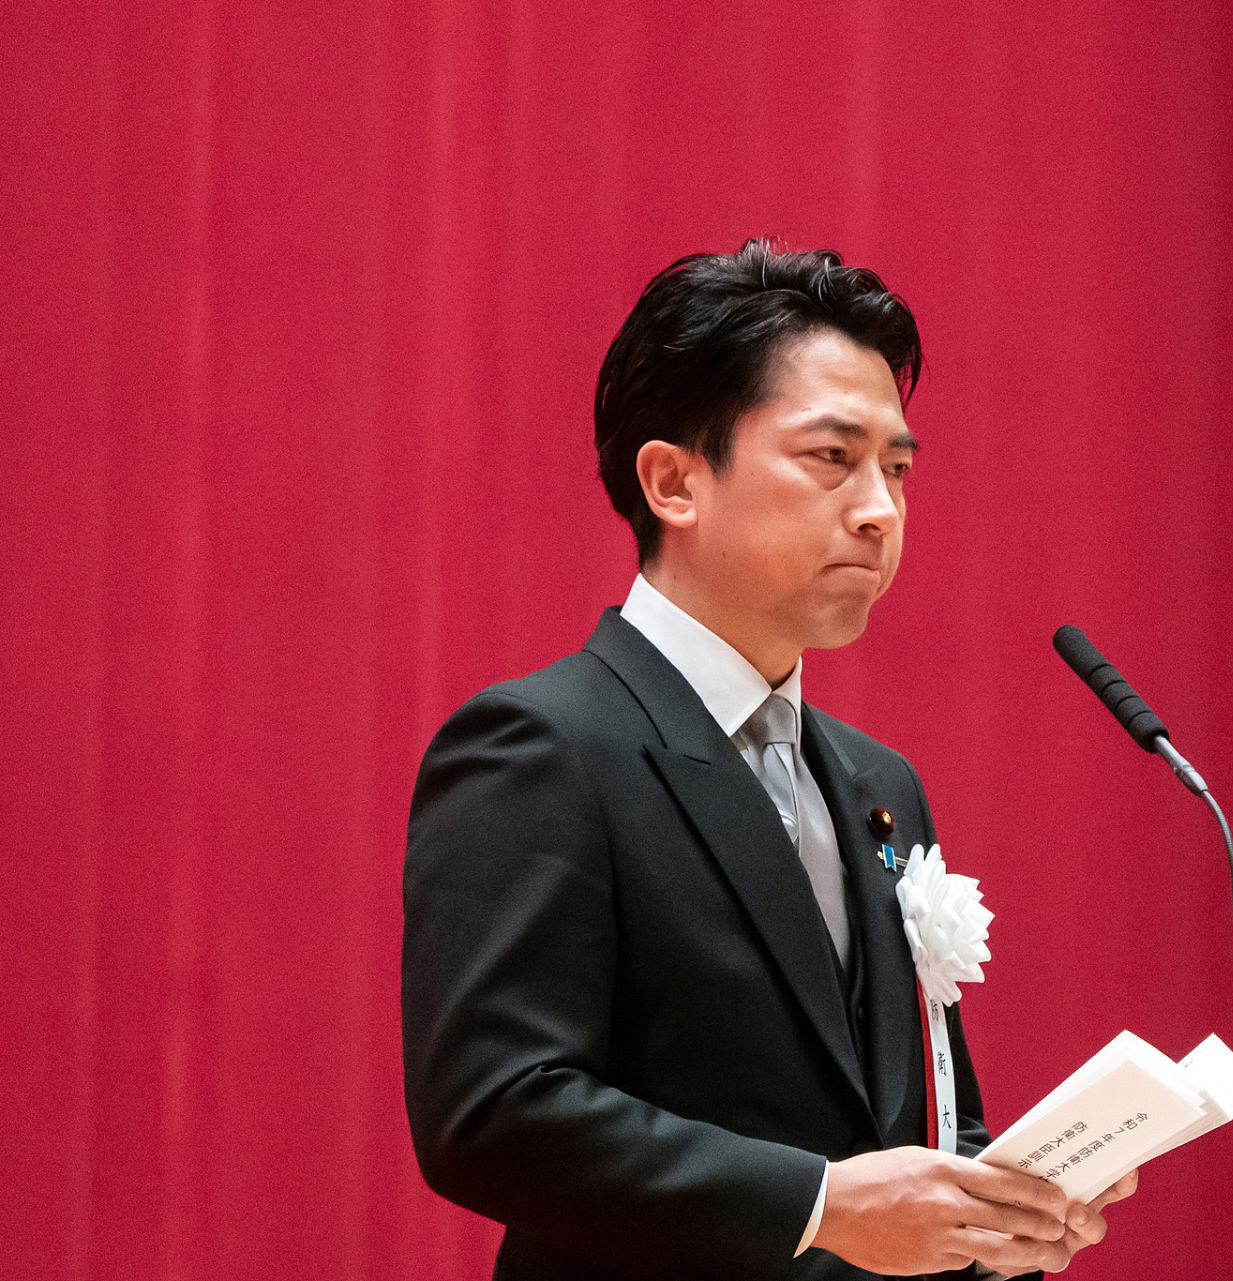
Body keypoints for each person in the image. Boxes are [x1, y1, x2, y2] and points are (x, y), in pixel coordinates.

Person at [402, 239, 1136, 1281]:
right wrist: (821, 1206)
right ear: (674, 482)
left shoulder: (881, 785)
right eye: (832, 458)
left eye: (897, 468)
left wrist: (1000, 1212)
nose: (880, 509)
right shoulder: (544, 746)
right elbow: (494, 1111)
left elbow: (913, 1123)